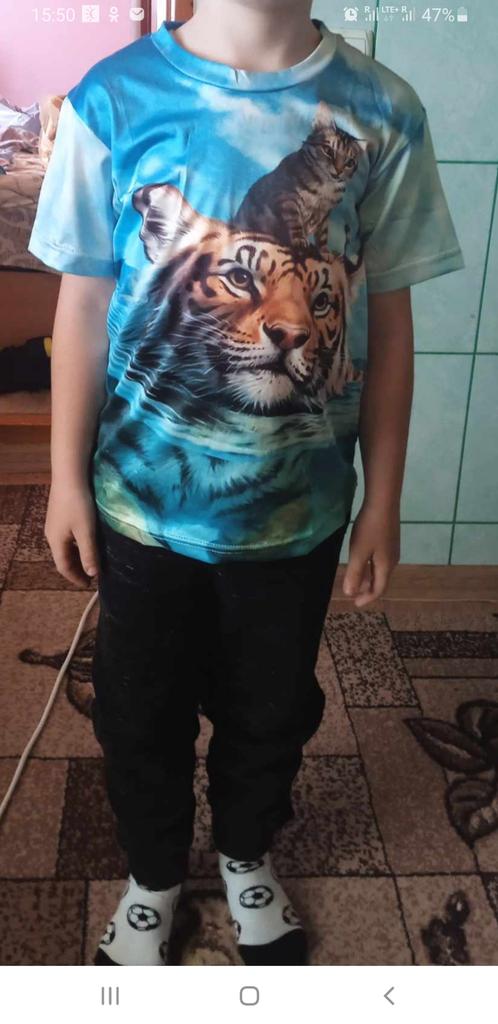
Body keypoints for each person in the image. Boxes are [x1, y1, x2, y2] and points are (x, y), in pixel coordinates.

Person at [28, 0, 464, 967]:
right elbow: (85, 302)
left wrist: (383, 499)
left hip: (299, 515)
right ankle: (152, 874)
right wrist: (65, 479)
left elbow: (388, 326)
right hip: (141, 510)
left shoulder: (384, 107)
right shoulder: (113, 98)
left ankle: (245, 852)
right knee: (137, 709)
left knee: (272, 710)